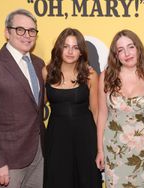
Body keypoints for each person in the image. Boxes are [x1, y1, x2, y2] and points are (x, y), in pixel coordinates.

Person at [0, 9, 45, 188]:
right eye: (20, 29)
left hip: (39, 155)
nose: (27, 35)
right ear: (7, 32)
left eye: (32, 31)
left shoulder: (39, 64)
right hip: (8, 160)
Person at [95, 29, 144, 187]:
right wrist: (100, 150)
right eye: (120, 50)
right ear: (116, 55)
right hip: (114, 149)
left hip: (143, 152)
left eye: (131, 47)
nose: (127, 53)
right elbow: (102, 115)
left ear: (138, 48)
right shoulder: (106, 76)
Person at [42, 28, 102, 188]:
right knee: (58, 179)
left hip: (85, 138)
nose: (70, 51)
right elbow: (38, 106)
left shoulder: (90, 75)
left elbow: (96, 112)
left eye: (75, 47)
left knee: (86, 180)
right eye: (66, 46)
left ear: (81, 52)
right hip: (57, 138)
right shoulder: (46, 72)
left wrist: (100, 147)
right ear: (59, 48)